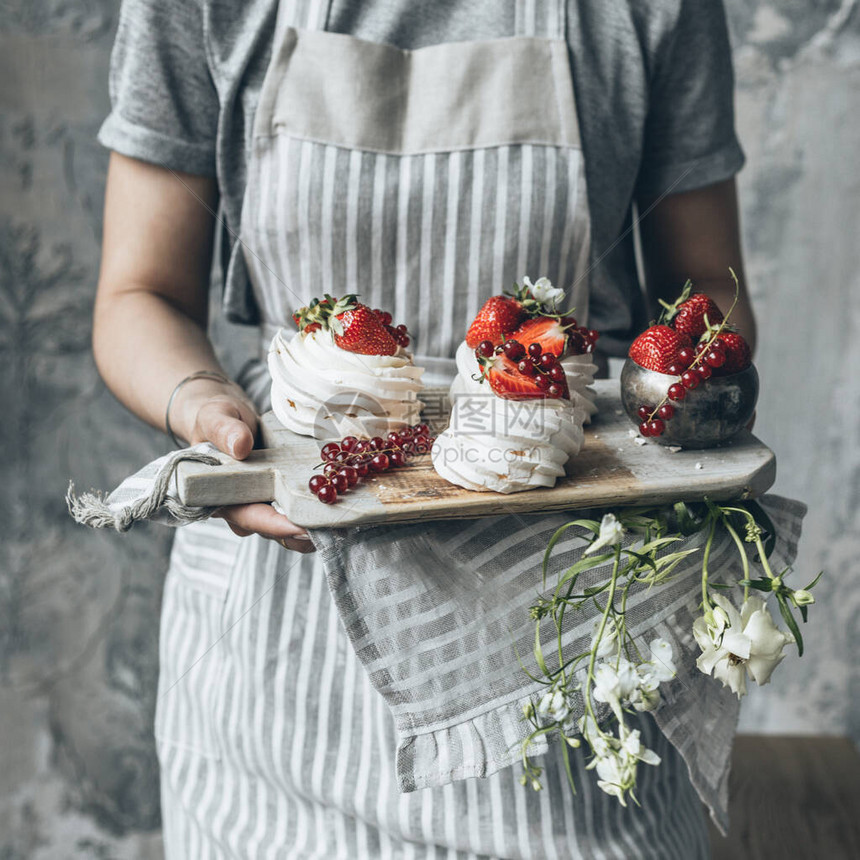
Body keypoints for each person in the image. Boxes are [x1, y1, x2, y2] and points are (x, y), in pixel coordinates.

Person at [93, 0, 756, 856]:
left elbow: (704, 287)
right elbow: (137, 291)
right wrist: (202, 406)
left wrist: (678, 392)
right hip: (278, 657)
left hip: (568, 627)